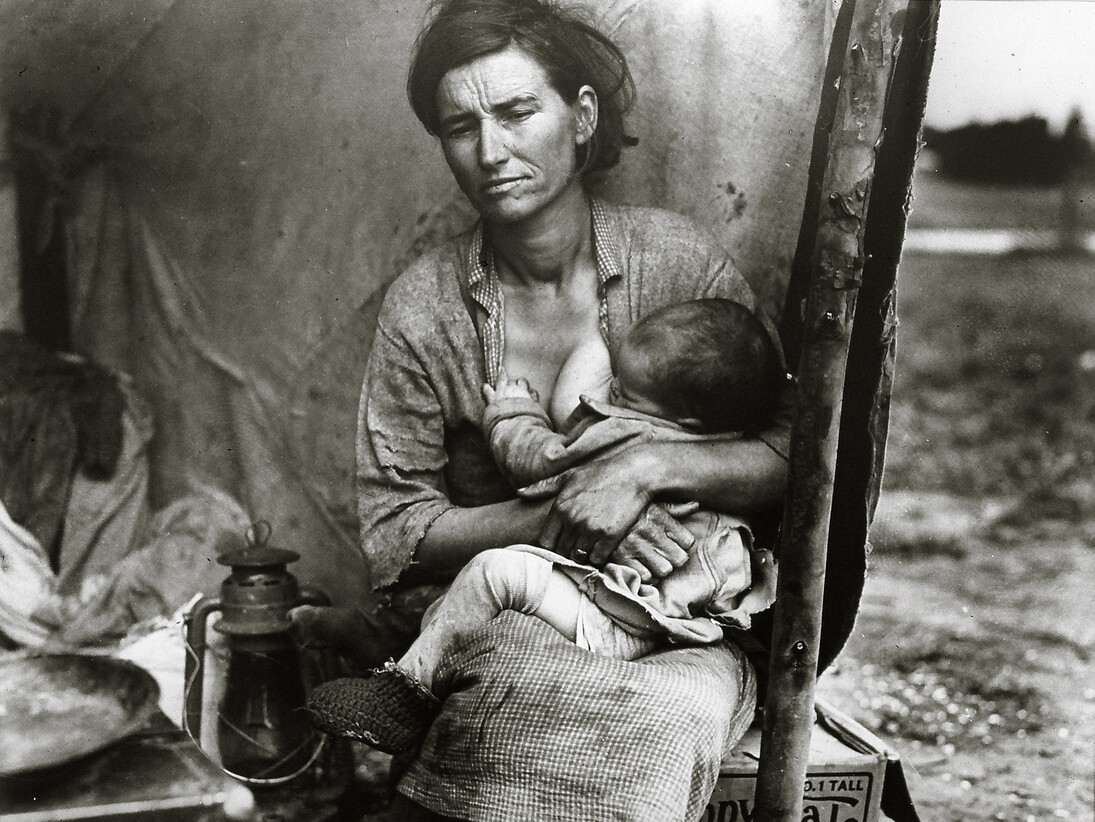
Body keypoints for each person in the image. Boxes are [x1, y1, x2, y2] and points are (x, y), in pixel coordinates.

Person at [293, 0, 794, 817]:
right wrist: (564, 519)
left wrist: (644, 469)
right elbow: (395, 530)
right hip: (511, 610)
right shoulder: (426, 304)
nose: (491, 151)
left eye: (518, 111)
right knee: (513, 703)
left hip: (680, 626)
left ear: (581, 115)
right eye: (461, 127)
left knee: (662, 718)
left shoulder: (676, 261)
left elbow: (788, 456)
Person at [307, 298, 782, 756]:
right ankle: (394, 646)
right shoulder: (722, 446)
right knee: (483, 608)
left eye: (624, 392)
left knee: (494, 574)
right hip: (673, 623)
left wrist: (513, 412)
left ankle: (404, 695)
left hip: (620, 622)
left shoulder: (631, 433)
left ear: (685, 419)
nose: (610, 392)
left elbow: (541, 461)